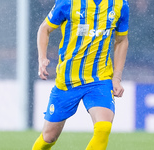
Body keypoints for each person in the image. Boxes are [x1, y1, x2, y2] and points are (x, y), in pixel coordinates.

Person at [32, 0, 129, 149]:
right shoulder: (68, 2)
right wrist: (42, 58)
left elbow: (121, 40)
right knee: (49, 137)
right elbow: (44, 29)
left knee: (103, 128)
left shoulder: (120, 5)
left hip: (99, 79)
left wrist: (116, 78)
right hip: (68, 80)